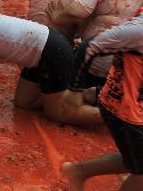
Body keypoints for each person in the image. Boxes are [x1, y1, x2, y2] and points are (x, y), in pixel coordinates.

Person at [61, 13, 143, 191]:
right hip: (125, 112)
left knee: (134, 158)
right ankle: (78, 171)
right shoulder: (139, 30)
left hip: (134, 106)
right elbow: (89, 45)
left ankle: (78, 171)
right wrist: (74, 89)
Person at [0, 11, 102, 125]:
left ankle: (113, 116)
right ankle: (81, 94)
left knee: (57, 114)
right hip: (41, 50)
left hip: (53, 50)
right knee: (25, 102)